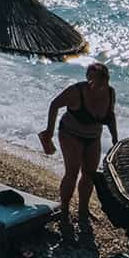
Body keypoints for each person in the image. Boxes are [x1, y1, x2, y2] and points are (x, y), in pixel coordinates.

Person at [39, 62, 119, 236]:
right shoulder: (77, 91)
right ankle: (65, 211)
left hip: (93, 137)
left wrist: (115, 138)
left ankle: (83, 210)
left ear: (106, 80)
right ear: (88, 78)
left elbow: (110, 116)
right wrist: (49, 132)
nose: (95, 86)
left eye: (100, 82)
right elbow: (54, 105)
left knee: (89, 174)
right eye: (91, 80)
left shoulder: (111, 93)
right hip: (70, 133)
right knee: (72, 172)